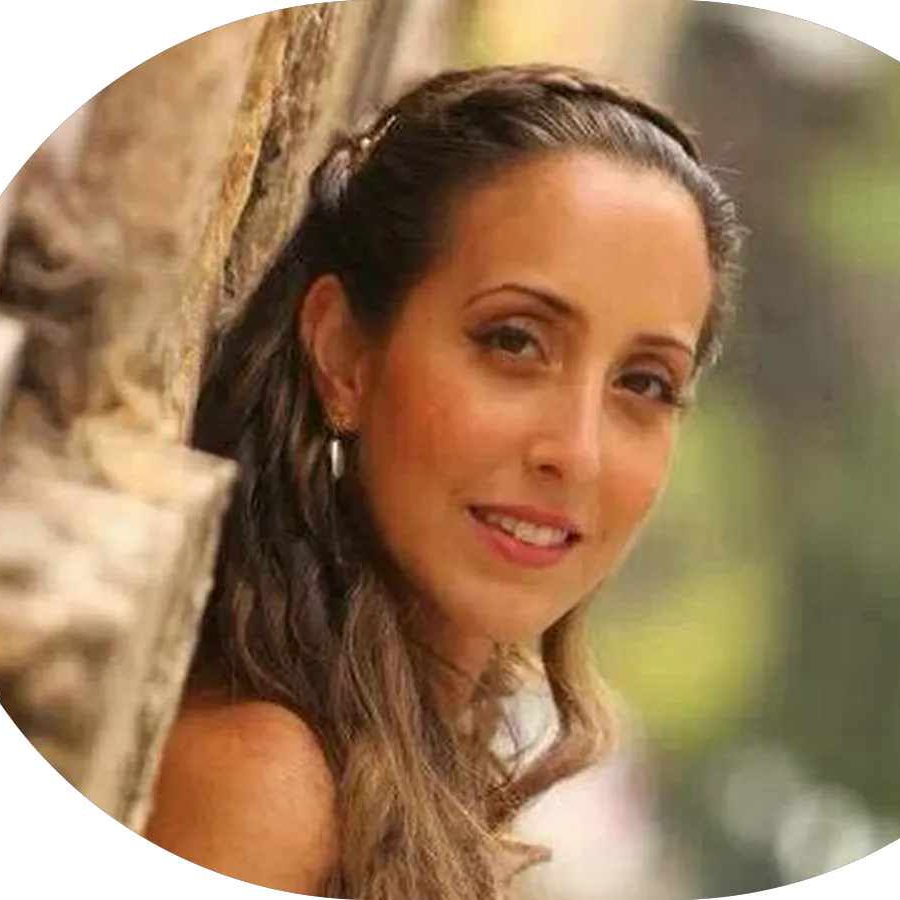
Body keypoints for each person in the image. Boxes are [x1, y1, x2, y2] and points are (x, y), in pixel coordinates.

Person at [141, 62, 745, 900]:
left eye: (644, 383)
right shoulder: (266, 791)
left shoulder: (414, 759)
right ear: (345, 354)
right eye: (514, 341)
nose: (577, 452)